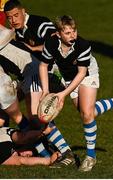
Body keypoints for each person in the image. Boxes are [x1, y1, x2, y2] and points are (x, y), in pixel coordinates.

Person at [39, 15, 113, 172]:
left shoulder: (82, 45)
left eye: (74, 31)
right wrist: (46, 91)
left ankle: (90, 157)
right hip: (68, 78)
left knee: (87, 114)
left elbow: (82, 73)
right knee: (87, 113)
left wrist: (62, 94)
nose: (72, 35)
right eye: (67, 33)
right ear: (58, 34)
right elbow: (43, 66)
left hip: (87, 74)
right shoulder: (51, 43)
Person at [3, 0, 76, 165]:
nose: (13, 20)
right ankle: (47, 153)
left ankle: (65, 152)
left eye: (16, 15)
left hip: (46, 72)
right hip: (27, 76)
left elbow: (56, 44)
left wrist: (31, 49)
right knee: (32, 116)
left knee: (38, 116)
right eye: (10, 17)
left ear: (24, 11)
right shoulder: (16, 31)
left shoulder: (39, 23)